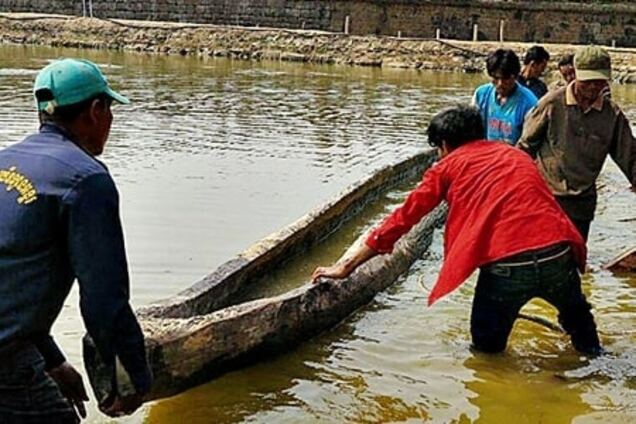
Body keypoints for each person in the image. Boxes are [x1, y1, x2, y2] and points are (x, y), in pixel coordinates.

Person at [312, 105, 601, 355]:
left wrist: (345, 267)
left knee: (486, 352)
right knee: (581, 328)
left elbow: (401, 220)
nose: (439, 155)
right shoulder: (515, 156)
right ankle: (594, 366)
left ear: (445, 145)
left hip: (507, 266)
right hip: (559, 253)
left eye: (438, 149)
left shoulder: (446, 167)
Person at [0, 59, 152, 422]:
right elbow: (104, 299)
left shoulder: (6, 161)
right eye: (110, 108)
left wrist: (52, 360)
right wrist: (132, 377)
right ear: (96, 111)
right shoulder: (85, 180)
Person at [518, 46, 635, 242]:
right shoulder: (552, 104)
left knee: (575, 259)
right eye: (588, 81)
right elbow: (524, 148)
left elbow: (630, 158)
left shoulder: (611, 115)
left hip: (581, 203)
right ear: (576, 74)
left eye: (599, 82)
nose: (593, 87)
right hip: (546, 198)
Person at [472, 49, 538, 145]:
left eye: (505, 78)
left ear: (515, 76)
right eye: (495, 78)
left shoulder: (529, 103)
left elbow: (530, 142)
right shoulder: (481, 95)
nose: (500, 84)